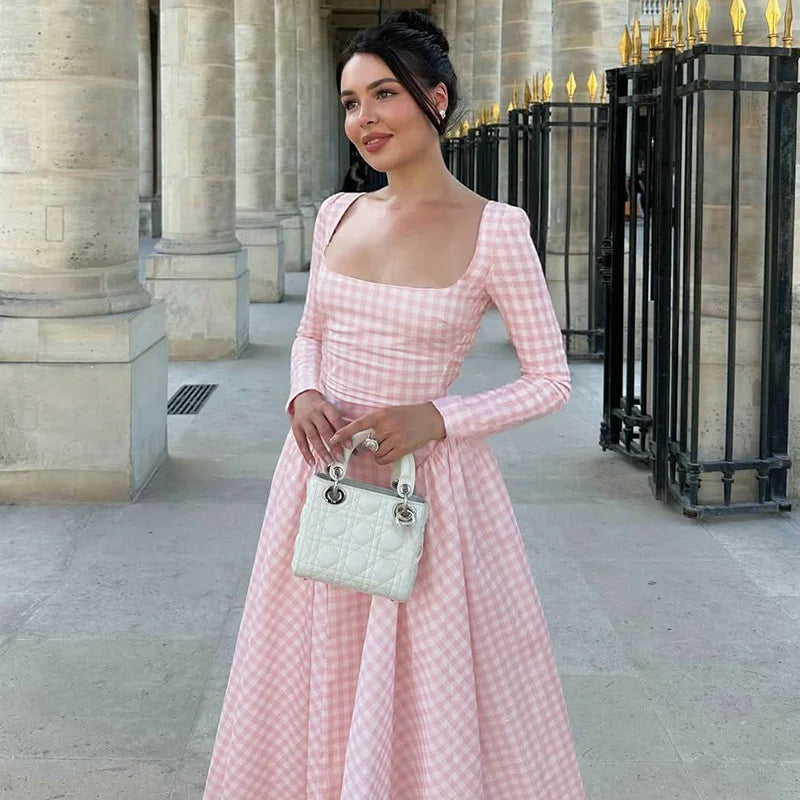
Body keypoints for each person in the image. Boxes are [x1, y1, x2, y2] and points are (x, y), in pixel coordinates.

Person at [203, 10, 586, 799]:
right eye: (350, 102)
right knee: (313, 661)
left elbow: (551, 379)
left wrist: (438, 418)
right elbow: (311, 329)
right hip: (321, 477)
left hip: (426, 489)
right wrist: (302, 389)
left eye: (384, 94)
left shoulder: (498, 231)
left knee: (421, 678)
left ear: (436, 99)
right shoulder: (339, 214)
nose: (364, 119)